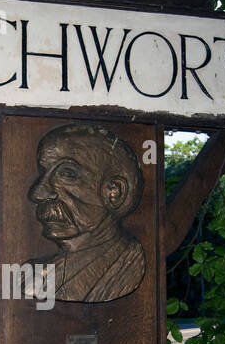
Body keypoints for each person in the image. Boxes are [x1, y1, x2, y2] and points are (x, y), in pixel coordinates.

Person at [24, 124, 145, 303]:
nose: (38, 193)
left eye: (66, 173)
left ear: (114, 192)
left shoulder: (129, 265)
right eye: (43, 173)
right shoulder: (29, 275)